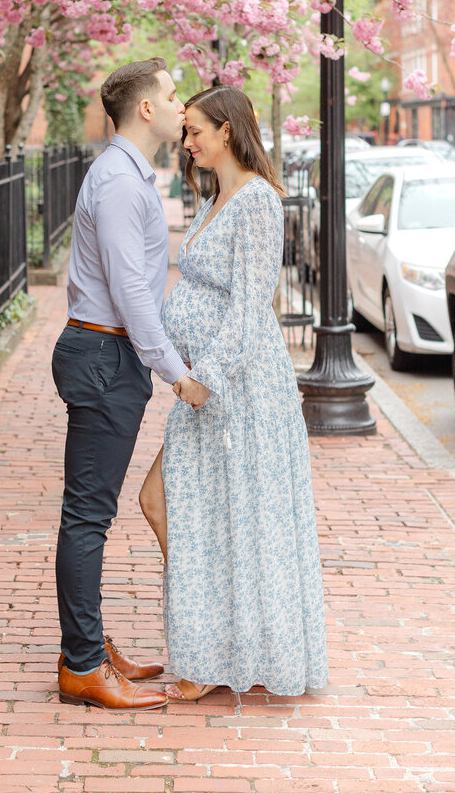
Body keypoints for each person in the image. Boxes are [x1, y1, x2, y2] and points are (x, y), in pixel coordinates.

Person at [139, 85, 329, 701]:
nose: (187, 140)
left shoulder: (257, 203)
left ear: (228, 131)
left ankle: (208, 659)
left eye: (196, 130)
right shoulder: (215, 196)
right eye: (186, 130)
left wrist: (204, 379)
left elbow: (250, 311)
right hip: (206, 391)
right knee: (177, 507)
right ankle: (206, 648)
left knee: (222, 517)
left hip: (238, 391)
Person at [52, 57, 188, 711]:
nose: (179, 103)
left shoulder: (129, 176)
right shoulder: (119, 183)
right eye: (170, 93)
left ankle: (89, 647)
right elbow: (130, 288)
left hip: (110, 353)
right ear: (144, 108)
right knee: (88, 517)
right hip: (106, 355)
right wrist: (174, 370)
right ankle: (81, 665)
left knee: (92, 515)